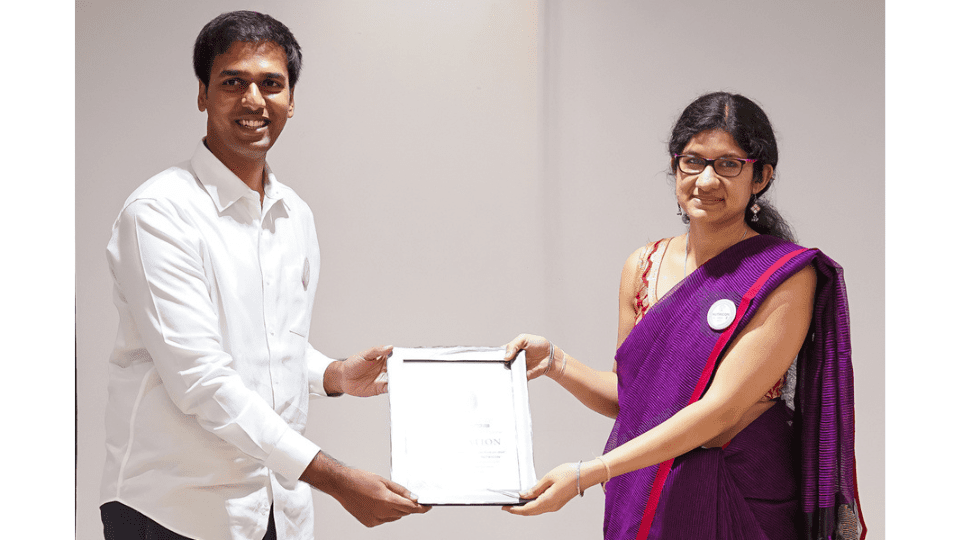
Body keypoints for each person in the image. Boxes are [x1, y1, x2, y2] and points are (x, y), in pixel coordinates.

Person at [99, 11, 428, 540]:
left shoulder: (293, 214)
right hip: (174, 512)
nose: (254, 100)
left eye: (271, 84)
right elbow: (202, 380)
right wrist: (338, 480)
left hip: (278, 510)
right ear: (203, 94)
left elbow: (272, 345)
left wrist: (334, 375)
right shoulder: (158, 214)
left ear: (290, 101)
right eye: (233, 82)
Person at [502, 92, 865, 539]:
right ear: (675, 166)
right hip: (652, 491)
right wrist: (556, 363)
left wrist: (590, 472)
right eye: (692, 161)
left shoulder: (784, 275)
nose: (706, 180)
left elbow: (721, 411)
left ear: (761, 176)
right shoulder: (643, 266)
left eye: (728, 164)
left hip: (740, 495)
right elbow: (633, 398)